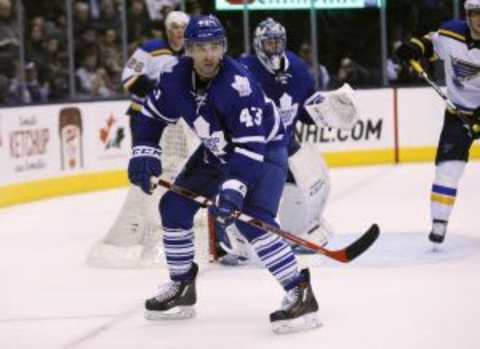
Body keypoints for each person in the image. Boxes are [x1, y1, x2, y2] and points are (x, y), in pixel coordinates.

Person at [128, 14, 320, 334]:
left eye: (215, 46)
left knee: (252, 219)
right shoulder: (174, 77)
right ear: (187, 49)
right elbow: (150, 115)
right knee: (173, 207)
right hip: (217, 150)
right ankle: (182, 287)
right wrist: (144, 151)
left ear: (223, 48)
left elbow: (249, 146)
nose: (208, 55)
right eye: (200, 47)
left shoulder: (239, 84)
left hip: (265, 149)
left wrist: (232, 190)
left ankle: (299, 290)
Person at [215, 18, 359, 265]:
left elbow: (306, 108)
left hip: (283, 142)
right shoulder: (243, 70)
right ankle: (234, 241)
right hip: (249, 145)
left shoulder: (298, 67)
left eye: (278, 42)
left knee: (312, 180)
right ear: (259, 44)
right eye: (269, 42)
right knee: (240, 192)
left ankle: (297, 232)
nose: (274, 47)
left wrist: (329, 110)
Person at [87, 11, 190, 267]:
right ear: (167, 29)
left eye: (183, 27)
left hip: (174, 123)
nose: (178, 32)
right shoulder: (150, 49)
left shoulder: (189, 54)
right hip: (143, 117)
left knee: (174, 169)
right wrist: (159, 90)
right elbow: (128, 79)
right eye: (174, 27)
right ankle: (142, 224)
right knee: (147, 167)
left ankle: (162, 221)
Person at [396, 0, 480, 245]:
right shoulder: (451, 33)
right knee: (447, 170)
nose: (479, 19)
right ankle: (439, 223)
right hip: (458, 113)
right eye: (475, 14)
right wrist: (413, 48)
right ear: (467, 15)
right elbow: (429, 43)